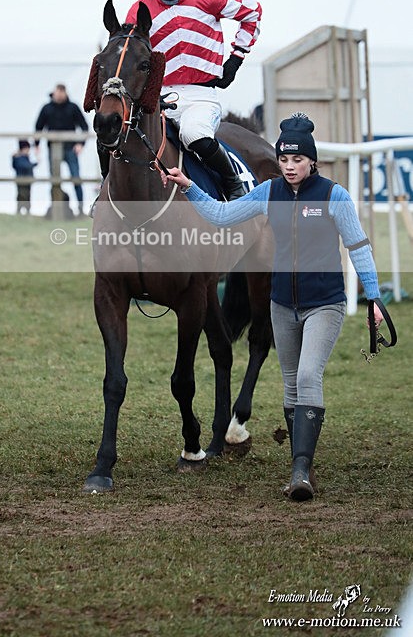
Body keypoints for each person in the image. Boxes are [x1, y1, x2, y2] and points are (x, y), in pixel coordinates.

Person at [164, 113, 384, 502]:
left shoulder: (334, 196)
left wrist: (374, 296)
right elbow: (220, 215)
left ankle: (299, 469)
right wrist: (189, 188)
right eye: (284, 160)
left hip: (325, 304)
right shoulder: (268, 193)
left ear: (311, 161)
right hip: (282, 305)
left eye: (297, 161)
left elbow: (358, 246)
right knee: (290, 387)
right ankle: (304, 462)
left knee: (307, 377)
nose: (289, 167)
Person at [114, 0, 262, 201]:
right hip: (158, 98)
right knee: (121, 137)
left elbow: (253, 11)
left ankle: (233, 185)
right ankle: (109, 196)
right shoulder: (137, 12)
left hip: (200, 96)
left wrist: (236, 58)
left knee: (193, 134)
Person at [34, 84, 88, 216]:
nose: (59, 95)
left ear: (65, 93)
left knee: (76, 178)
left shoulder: (73, 107)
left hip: (70, 148)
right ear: (54, 93)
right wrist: (36, 144)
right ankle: (55, 208)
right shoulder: (47, 108)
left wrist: (81, 143)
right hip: (53, 149)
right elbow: (38, 127)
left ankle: (81, 209)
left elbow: (84, 126)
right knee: (54, 180)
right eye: (57, 92)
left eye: (61, 92)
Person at [12, 139, 37, 214]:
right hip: (21, 181)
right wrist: (35, 164)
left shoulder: (24, 158)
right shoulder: (19, 158)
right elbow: (26, 166)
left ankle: (26, 210)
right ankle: (20, 210)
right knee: (22, 195)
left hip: (27, 181)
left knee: (27, 195)